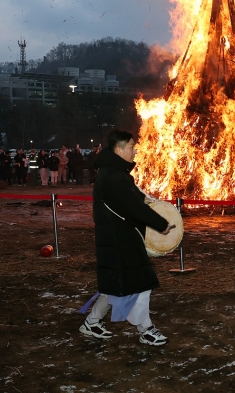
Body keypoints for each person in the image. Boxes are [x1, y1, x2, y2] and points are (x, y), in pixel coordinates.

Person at [80, 129, 172, 345]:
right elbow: (132, 207)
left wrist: (149, 201)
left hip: (119, 238)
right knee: (140, 282)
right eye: (131, 147)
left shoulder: (115, 173)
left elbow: (133, 197)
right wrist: (162, 224)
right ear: (119, 150)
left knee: (116, 284)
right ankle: (145, 329)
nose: (135, 150)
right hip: (119, 240)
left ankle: (92, 322)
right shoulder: (112, 176)